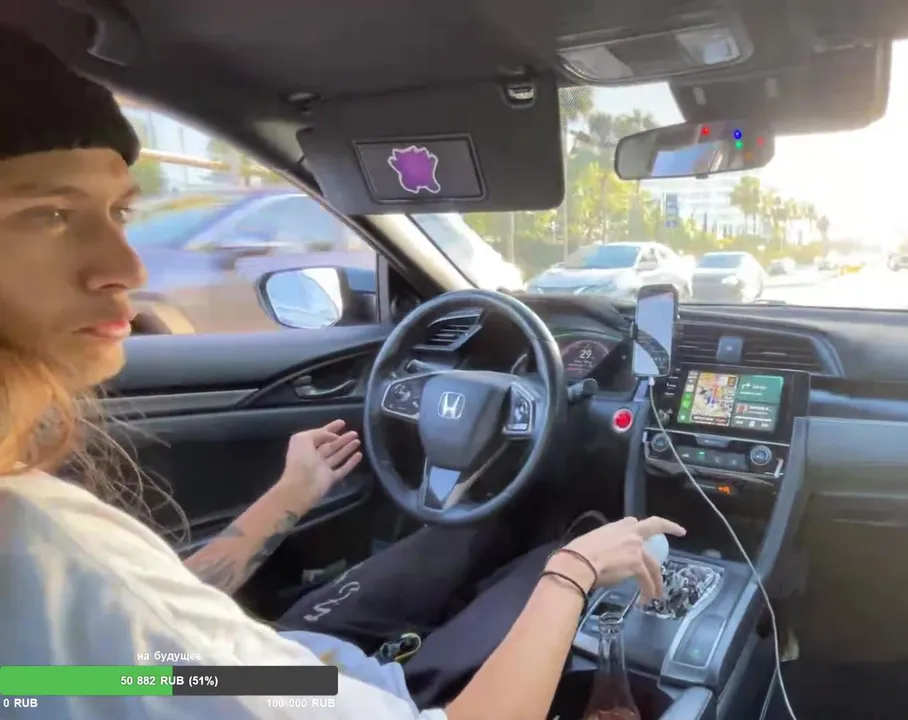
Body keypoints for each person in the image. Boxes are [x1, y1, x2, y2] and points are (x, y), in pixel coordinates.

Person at [0, 25, 685, 720]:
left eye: (121, 211)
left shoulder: (59, 561)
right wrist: (572, 572)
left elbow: (150, 640)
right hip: (358, 696)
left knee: (481, 532)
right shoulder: (43, 543)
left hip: (298, 670)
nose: (129, 266)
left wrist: (288, 497)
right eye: (49, 214)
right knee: (601, 547)